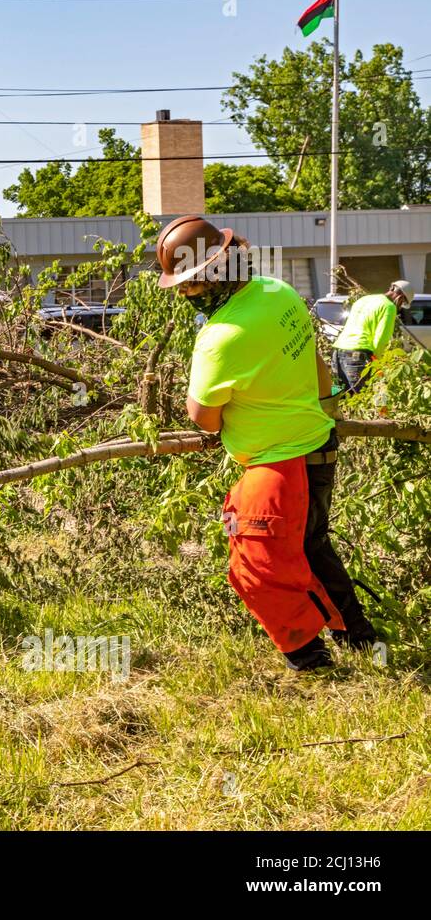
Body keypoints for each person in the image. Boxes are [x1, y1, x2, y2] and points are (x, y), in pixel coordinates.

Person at [158, 215, 377, 671]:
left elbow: (204, 419)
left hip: (276, 466)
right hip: (319, 445)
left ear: (215, 276)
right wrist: (326, 407)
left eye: (190, 286)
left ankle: (311, 659)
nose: (184, 294)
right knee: (312, 548)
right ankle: (358, 641)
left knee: (258, 571)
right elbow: (315, 360)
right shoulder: (280, 292)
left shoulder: (218, 339)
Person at [332, 279, 415, 394]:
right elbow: (381, 339)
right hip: (358, 354)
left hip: (338, 350)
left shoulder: (364, 299)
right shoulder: (389, 307)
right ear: (401, 298)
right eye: (402, 304)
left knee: (337, 393)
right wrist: (377, 363)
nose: (400, 306)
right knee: (358, 396)